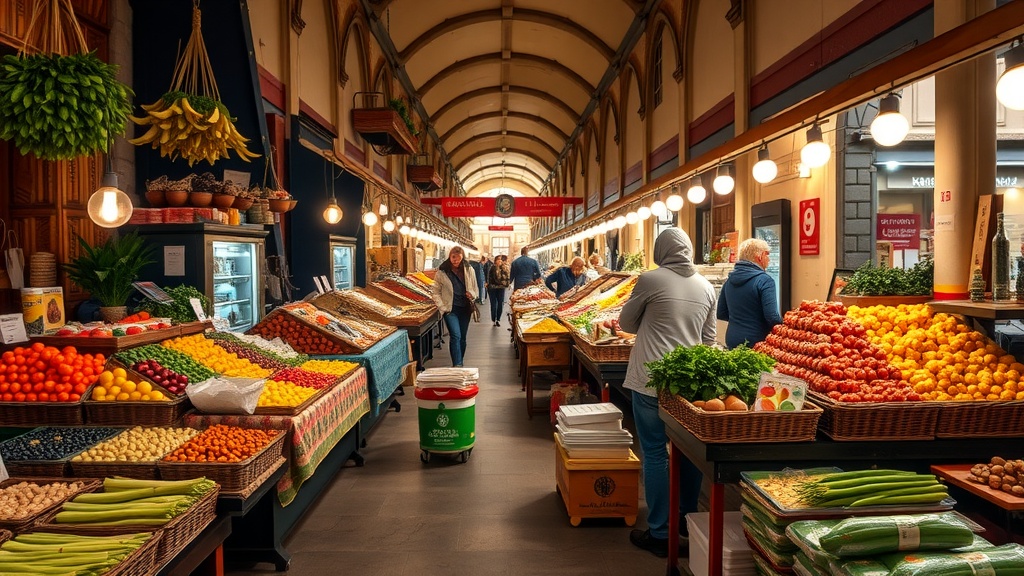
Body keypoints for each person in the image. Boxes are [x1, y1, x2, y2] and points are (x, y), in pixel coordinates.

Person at [618, 228, 716, 558]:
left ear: (661, 250)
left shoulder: (650, 279)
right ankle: (686, 521)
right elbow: (709, 340)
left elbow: (627, 324)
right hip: (687, 385)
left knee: (656, 453)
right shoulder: (706, 286)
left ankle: (660, 532)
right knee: (687, 452)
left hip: (649, 380)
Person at [716, 238, 784, 349]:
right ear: (760, 256)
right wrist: (784, 331)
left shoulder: (729, 281)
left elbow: (721, 313)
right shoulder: (765, 281)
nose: (769, 259)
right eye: (767, 255)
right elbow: (772, 317)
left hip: (732, 340)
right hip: (758, 342)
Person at [431, 246, 479, 367]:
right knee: (455, 336)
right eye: (453, 257)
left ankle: (459, 361)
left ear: (462, 257)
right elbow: (435, 291)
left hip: (465, 308)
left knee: (462, 338)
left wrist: (472, 294)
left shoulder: (469, 269)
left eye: (458, 258)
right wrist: (442, 307)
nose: (455, 260)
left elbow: (475, 289)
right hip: (450, 309)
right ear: (449, 256)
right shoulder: (442, 271)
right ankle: (457, 364)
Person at [486, 254, 511, 326]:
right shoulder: (493, 268)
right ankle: (494, 319)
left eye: (501, 259)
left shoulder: (504, 268)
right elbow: (497, 279)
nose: (500, 261)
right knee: (494, 304)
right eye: (498, 259)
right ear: (495, 260)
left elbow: (508, 277)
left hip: (501, 289)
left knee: (500, 303)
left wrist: (504, 267)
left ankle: (498, 319)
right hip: (493, 288)